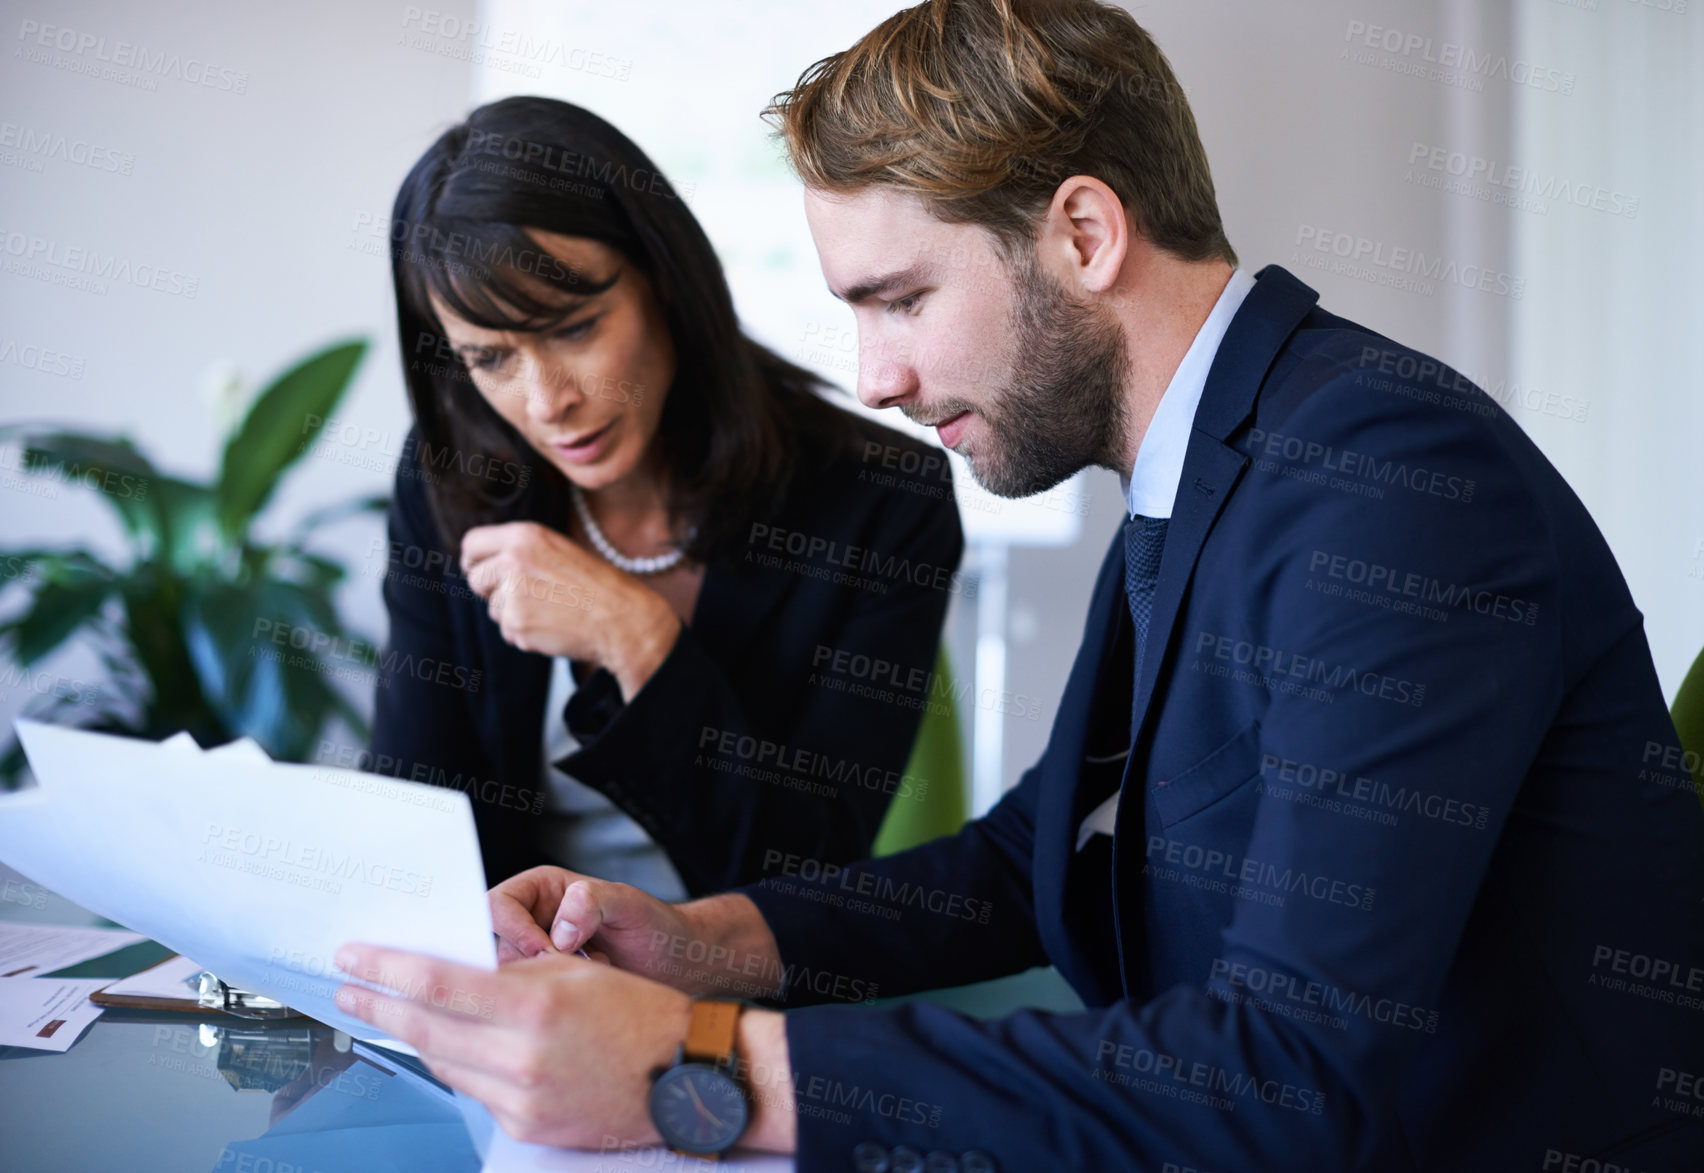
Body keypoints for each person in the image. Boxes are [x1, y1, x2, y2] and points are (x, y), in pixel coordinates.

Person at [335, 3, 1704, 1170]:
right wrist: (694, 948)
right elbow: (1020, 858)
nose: (873, 376)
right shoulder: (1221, 458)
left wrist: (704, 1070)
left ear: (1086, 234)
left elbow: (1284, 1072)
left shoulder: (1389, 486)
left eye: (902, 298)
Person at [364, 97, 965, 899]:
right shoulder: (452, 472)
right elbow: (416, 814)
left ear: (666, 284)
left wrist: (638, 640)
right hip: (510, 990)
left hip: (733, 1011)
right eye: (491, 358)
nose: (547, 401)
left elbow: (809, 875)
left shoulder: (882, 502)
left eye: (574, 328)